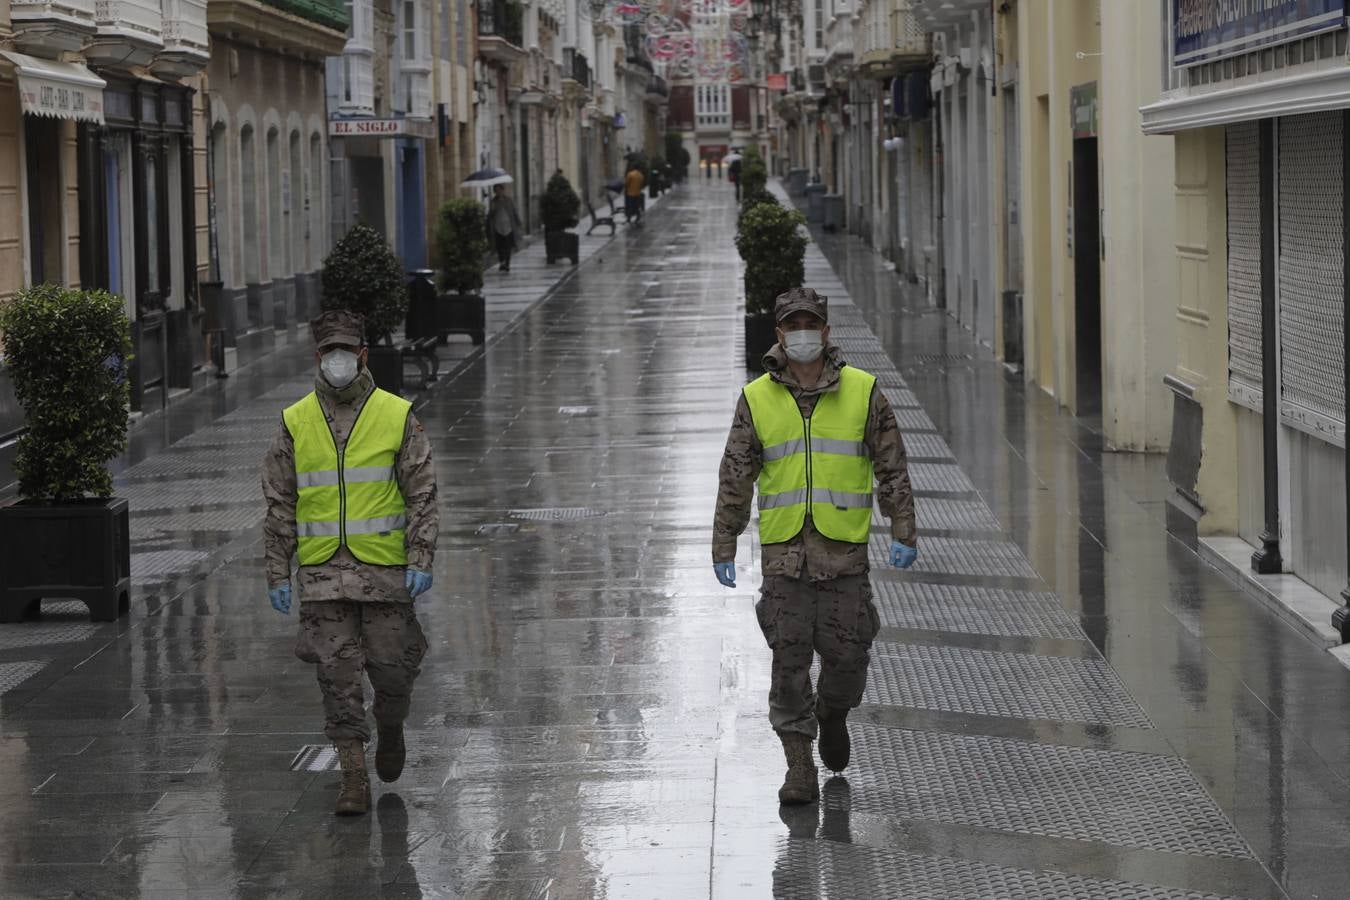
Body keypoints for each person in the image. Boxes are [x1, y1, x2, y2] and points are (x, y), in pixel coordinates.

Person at [713, 287, 918, 806]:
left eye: (811, 324)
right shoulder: (756, 398)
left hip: (844, 554)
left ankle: (833, 711)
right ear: (779, 333)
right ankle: (799, 766)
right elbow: (736, 475)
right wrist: (724, 541)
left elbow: (892, 465)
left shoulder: (864, 391)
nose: (802, 333)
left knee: (849, 657)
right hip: (785, 557)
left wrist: (902, 528)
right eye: (792, 325)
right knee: (788, 661)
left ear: (825, 332)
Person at [261, 310, 439, 816]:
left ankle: (392, 725)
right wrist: (278, 568)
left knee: (393, 672)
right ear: (318, 357)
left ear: (362, 354)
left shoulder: (396, 415)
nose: (337, 360)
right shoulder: (295, 421)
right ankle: (353, 778)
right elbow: (279, 501)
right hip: (322, 577)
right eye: (328, 352)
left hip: (384, 573)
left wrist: (421, 555)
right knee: (336, 677)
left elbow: (422, 491)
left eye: (346, 350)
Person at [488, 183, 522, 272]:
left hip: (508, 227)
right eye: (496, 190)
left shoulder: (508, 200)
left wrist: (518, 222)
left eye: (500, 190)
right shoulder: (493, 202)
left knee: (508, 247)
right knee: (499, 247)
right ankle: (501, 262)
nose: (498, 192)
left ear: (503, 190)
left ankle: (507, 263)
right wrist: (493, 209)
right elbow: (490, 215)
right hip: (497, 227)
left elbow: (514, 211)